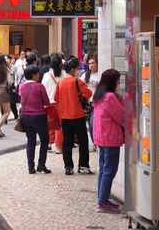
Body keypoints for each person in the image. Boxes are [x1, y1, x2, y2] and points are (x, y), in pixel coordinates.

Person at [91, 69, 124, 214]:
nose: (119, 84)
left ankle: (102, 199)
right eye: (117, 81)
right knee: (109, 170)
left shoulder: (99, 94)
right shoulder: (110, 97)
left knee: (104, 169)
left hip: (101, 136)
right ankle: (102, 203)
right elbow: (121, 116)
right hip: (110, 137)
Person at [55, 57, 94, 176]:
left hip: (65, 117)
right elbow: (89, 93)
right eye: (77, 68)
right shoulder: (77, 81)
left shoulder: (60, 82)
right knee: (83, 142)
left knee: (67, 142)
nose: (78, 70)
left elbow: (56, 98)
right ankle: (83, 166)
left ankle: (68, 167)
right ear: (73, 69)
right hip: (78, 116)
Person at [20, 65, 51, 174]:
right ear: (34, 75)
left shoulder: (22, 87)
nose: (39, 75)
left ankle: (30, 167)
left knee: (30, 141)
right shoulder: (39, 86)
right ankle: (41, 165)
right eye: (38, 73)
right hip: (39, 116)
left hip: (25, 117)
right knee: (44, 140)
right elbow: (46, 102)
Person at [42, 54, 67, 154]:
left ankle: (51, 144)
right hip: (60, 103)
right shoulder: (64, 75)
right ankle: (58, 145)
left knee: (51, 125)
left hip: (49, 103)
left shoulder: (46, 75)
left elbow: (43, 89)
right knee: (59, 126)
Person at [83, 56, 101, 150]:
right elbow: (79, 84)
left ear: (97, 64)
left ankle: (97, 142)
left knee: (93, 122)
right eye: (89, 63)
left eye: (93, 63)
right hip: (88, 103)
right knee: (90, 125)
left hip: (97, 102)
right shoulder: (85, 75)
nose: (91, 65)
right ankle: (94, 143)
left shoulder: (99, 74)